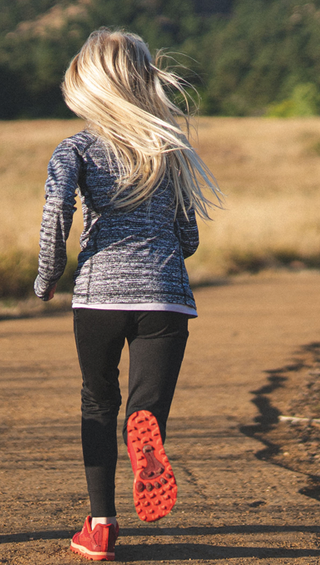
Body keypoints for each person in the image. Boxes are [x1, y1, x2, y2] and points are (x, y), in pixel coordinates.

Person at [35, 28, 221, 562]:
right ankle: (148, 436)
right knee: (145, 409)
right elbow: (188, 238)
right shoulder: (169, 145)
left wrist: (47, 277)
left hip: (98, 297)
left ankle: (100, 527)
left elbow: (56, 218)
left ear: (87, 85)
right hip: (164, 296)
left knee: (97, 402)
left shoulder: (75, 149)